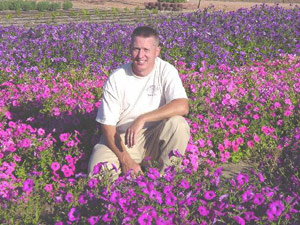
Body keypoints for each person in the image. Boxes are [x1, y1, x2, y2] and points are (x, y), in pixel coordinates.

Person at [88, 26, 190, 179]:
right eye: (136, 49)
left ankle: (167, 181)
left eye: (146, 50)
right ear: (130, 49)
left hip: (155, 137)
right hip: (121, 139)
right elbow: (108, 127)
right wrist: (126, 160)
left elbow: (182, 106)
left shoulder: (166, 71)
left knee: (179, 124)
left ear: (157, 51)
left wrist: (142, 118)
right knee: (100, 174)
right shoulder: (117, 78)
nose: (140, 55)